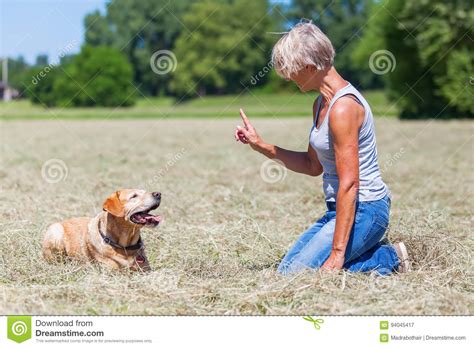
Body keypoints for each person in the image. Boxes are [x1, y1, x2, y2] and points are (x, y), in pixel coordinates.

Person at [234, 22, 410, 275]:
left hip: (366, 210)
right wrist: (260, 145)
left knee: (298, 274)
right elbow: (311, 165)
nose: (288, 77)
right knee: (286, 270)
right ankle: (368, 255)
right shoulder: (320, 104)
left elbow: (350, 184)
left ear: (308, 66)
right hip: (338, 210)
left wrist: (338, 254)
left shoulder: (343, 108)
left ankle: (389, 257)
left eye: (291, 70)